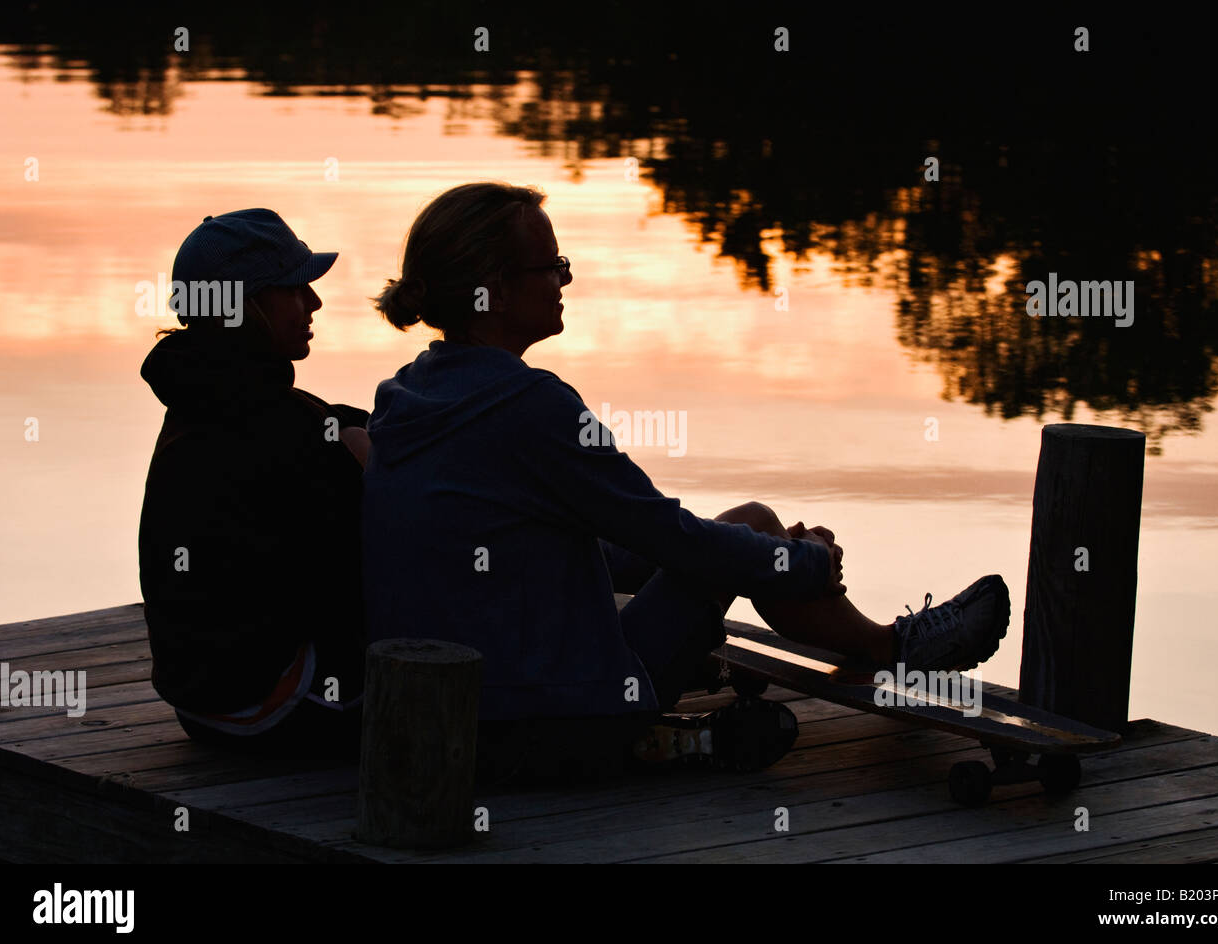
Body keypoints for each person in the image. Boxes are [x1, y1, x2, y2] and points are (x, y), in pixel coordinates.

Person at [363, 182, 1010, 784]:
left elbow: (589, 540)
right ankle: (893, 648)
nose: (565, 279)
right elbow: (665, 534)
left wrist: (763, 561)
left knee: (740, 538)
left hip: (453, 719)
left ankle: (882, 643)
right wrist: (799, 560)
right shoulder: (531, 405)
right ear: (495, 292)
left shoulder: (408, 395)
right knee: (752, 521)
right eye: (550, 266)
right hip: (556, 722)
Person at [139, 208, 370, 759]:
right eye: (295, 287)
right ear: (247, 305)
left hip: (203, 704)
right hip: (266, 708)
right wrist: (366, 465)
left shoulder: (202, 398)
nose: (313, 302)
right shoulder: (280, 427)